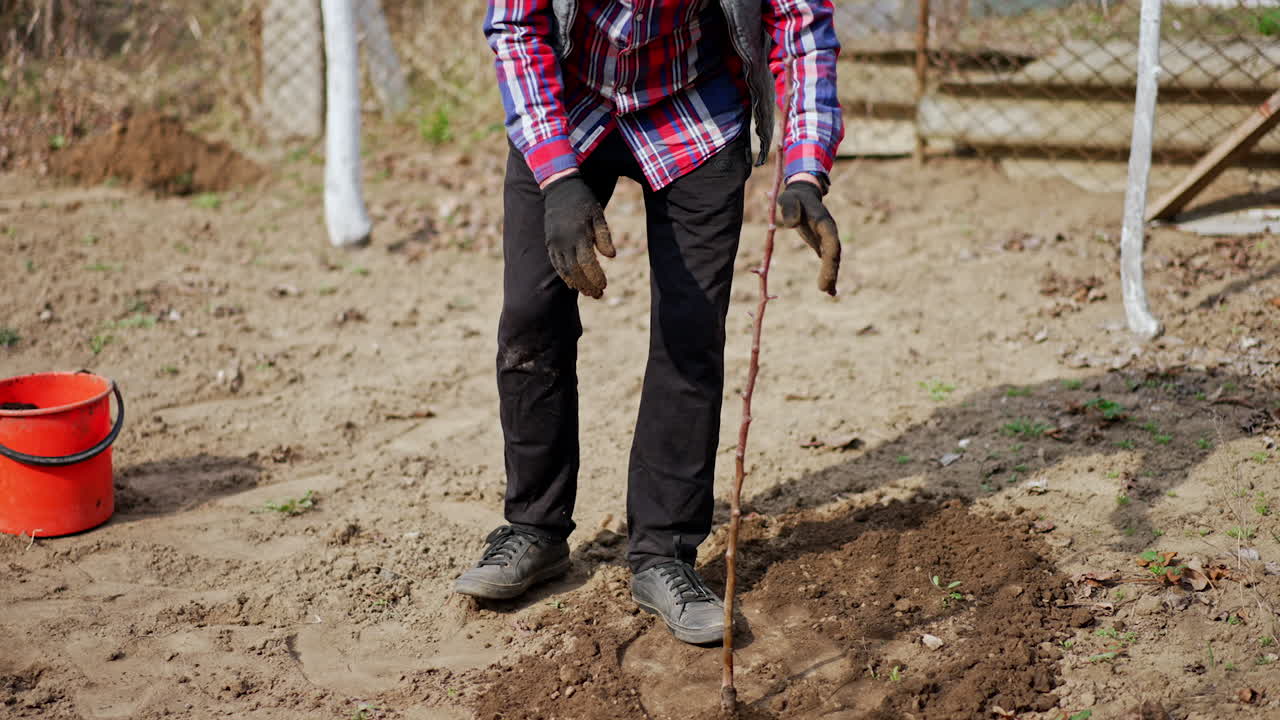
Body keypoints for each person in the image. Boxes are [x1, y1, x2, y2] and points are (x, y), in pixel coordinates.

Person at [455, 0, 844, 645]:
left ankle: (664, 552)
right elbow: (516, 28)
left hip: (697, 109)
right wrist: (555, 180)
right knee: (531, 315)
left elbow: (800, 27)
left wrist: (805, 170)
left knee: (690, 333)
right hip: (569, 106)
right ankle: (534, 529)